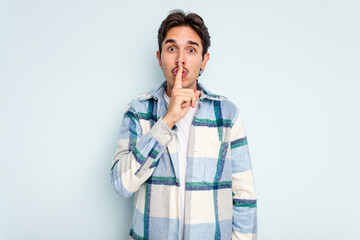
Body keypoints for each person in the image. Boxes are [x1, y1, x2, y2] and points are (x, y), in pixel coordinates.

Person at [111, 9, 257, 240]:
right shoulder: (137, 110)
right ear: (159, 58)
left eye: (191, 49)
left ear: (204, 60)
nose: (180, 59)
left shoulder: (227, 114)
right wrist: (167, 121)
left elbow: (244, 195)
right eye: (172, 49)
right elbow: (122, 184)